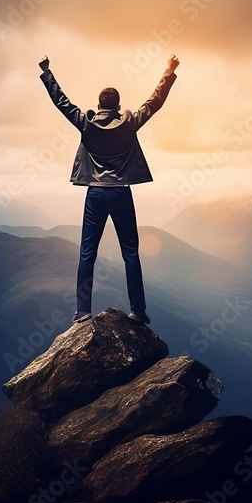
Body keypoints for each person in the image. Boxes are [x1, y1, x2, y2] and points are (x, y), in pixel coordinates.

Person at [38, 54, 180, 324]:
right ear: (118, 106)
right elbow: (155, 101)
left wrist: (47, 72)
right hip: (121, 192)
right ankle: (138, 310)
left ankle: (82, 311)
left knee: (87, 252)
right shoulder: (129, 124)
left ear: (98, 106)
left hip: (95, 193)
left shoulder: (86, 124)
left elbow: (62, 102)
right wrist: (169, 71)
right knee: (130, 252)